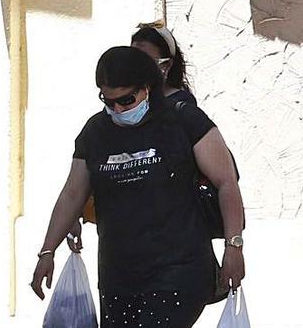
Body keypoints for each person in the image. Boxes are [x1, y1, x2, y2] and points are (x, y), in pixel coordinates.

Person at [31, 46, 246, 327]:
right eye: (109, 102)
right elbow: (72, 193)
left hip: (179, 272)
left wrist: (234, 246)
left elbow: (227, 182)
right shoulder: (95, 132)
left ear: (147, 88)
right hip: (118, 276)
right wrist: (48, 250)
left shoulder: (185, 121)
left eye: (127, 100)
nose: (118, 109)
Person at [70, 22, 200, 249]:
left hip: (174, 248)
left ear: (165, 66)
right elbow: (88, 173)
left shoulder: (181, 114)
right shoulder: (112, 117)